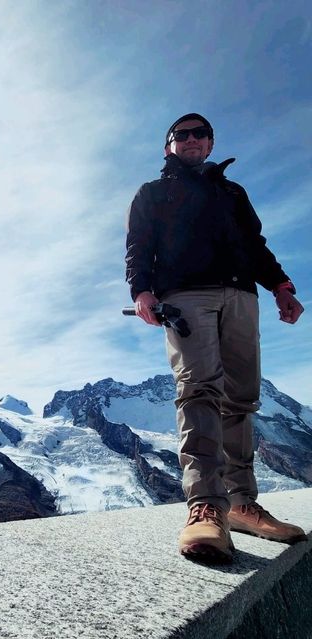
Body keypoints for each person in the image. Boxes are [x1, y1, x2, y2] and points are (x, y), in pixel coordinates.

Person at [125, 112, 306, 563]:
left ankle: (243, 503)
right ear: (168, 146)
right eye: (181, 134)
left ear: (210, 143)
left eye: (200, 133)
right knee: (200, 390)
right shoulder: (152, 193)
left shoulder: (233, 192)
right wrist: (142, 289)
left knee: (241, 398)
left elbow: (256, 246)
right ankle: (205, 506)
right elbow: (138, 245)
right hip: (186, 296)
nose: (191, 139)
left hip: (242, 295)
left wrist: (281, 286)